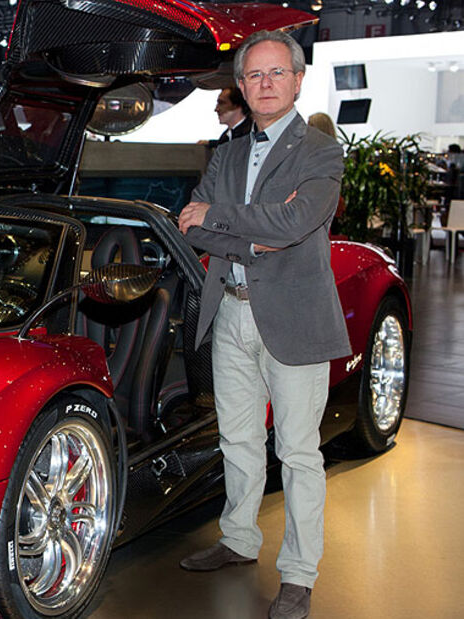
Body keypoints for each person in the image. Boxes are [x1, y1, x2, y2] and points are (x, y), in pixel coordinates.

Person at [176, 30, 348, 619]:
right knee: (238, 439)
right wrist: (254, 235)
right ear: (241, 87)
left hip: (294, 320)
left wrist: (225, 220)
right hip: (229, 311)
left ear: (298, 80)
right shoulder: (224, 153)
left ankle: (299, 574)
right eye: (253, 76)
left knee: (299, 452)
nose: (265, 84)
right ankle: (239, 539)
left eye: (276, 73)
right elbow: (191, 226)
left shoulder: (320, 150)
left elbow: (298, 220)